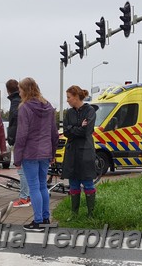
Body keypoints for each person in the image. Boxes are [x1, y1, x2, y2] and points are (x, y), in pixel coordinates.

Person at [13, 77, 58, 232]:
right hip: (45, 152)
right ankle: (46, 218)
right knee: (42, 186)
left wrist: (17, 157)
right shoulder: (48, 106)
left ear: (25, 90)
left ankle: (38, 221)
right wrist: (52, 153)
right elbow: (54, 133)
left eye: (20, 90)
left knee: (33, 187)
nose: (19, 93)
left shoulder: (25, 108)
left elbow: (22, 135)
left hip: (30, 153)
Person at [62, 85, 98, 219]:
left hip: (85, 152)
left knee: (88, 182)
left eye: (68, 97)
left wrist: (73, 129)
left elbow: (86, 131)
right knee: (73, 183)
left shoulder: (90, 111)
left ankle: (90, 214)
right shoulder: (69, 112)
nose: (67, 100)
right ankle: (74, 214)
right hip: (72, 152)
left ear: (76, 97)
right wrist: (78, 128)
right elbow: (66, 131)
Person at [5, 79, 30, 208]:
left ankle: (24, 197)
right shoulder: (21, 101)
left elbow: (16, 119)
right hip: (26, 140)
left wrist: (11, 137)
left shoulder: (16, 102)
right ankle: (28, 195)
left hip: (19, 140)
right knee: (28, 169)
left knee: (22, 170)